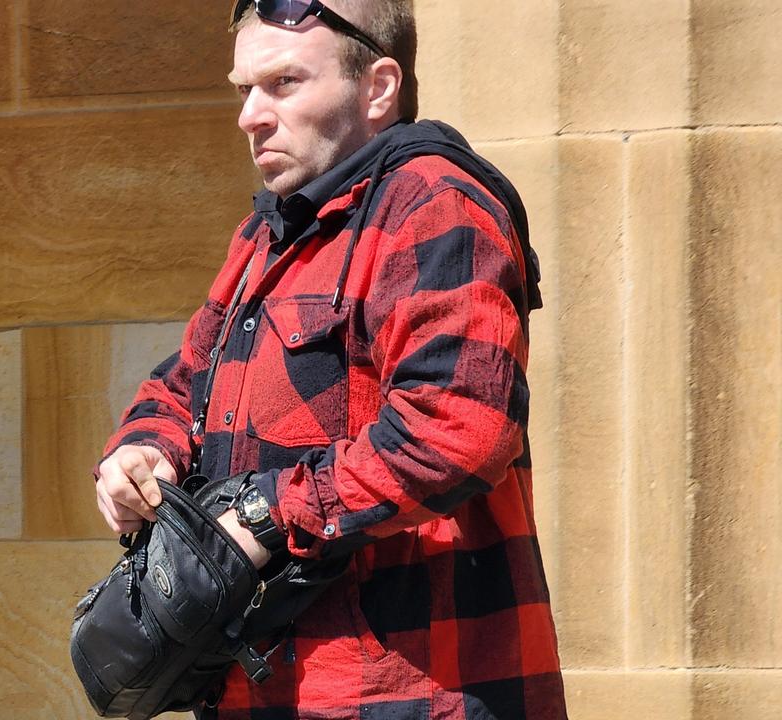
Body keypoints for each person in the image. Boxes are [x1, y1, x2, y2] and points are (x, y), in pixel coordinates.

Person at [94, 1, 567, 717]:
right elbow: (183, 381)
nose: (251, 115)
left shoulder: (435, 203)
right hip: (260, 690)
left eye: (284, 83)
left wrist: (260, 519)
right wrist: (143, 452)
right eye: (244, 89)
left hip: (410, 693)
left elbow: (457, 431)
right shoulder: (268, 233)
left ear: (378, 87)